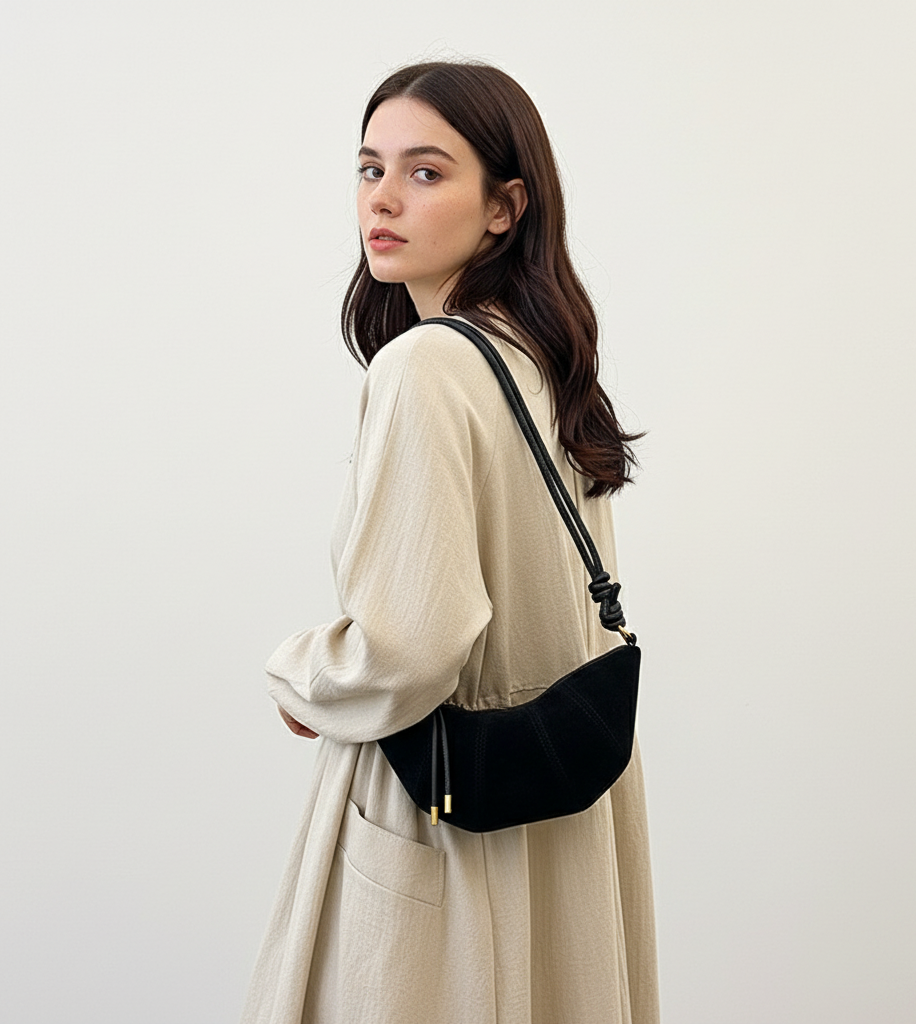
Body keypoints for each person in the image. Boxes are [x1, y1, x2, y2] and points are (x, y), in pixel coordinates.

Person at [240, 59, 659, 1024]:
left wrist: (301, 676)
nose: (382, 198)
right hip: (562, 811)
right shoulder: (542, 363)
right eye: (368, 167)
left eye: (426, 173)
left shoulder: (427, 366)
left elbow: (409, 647)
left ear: (504, 207)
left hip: (441, 817)